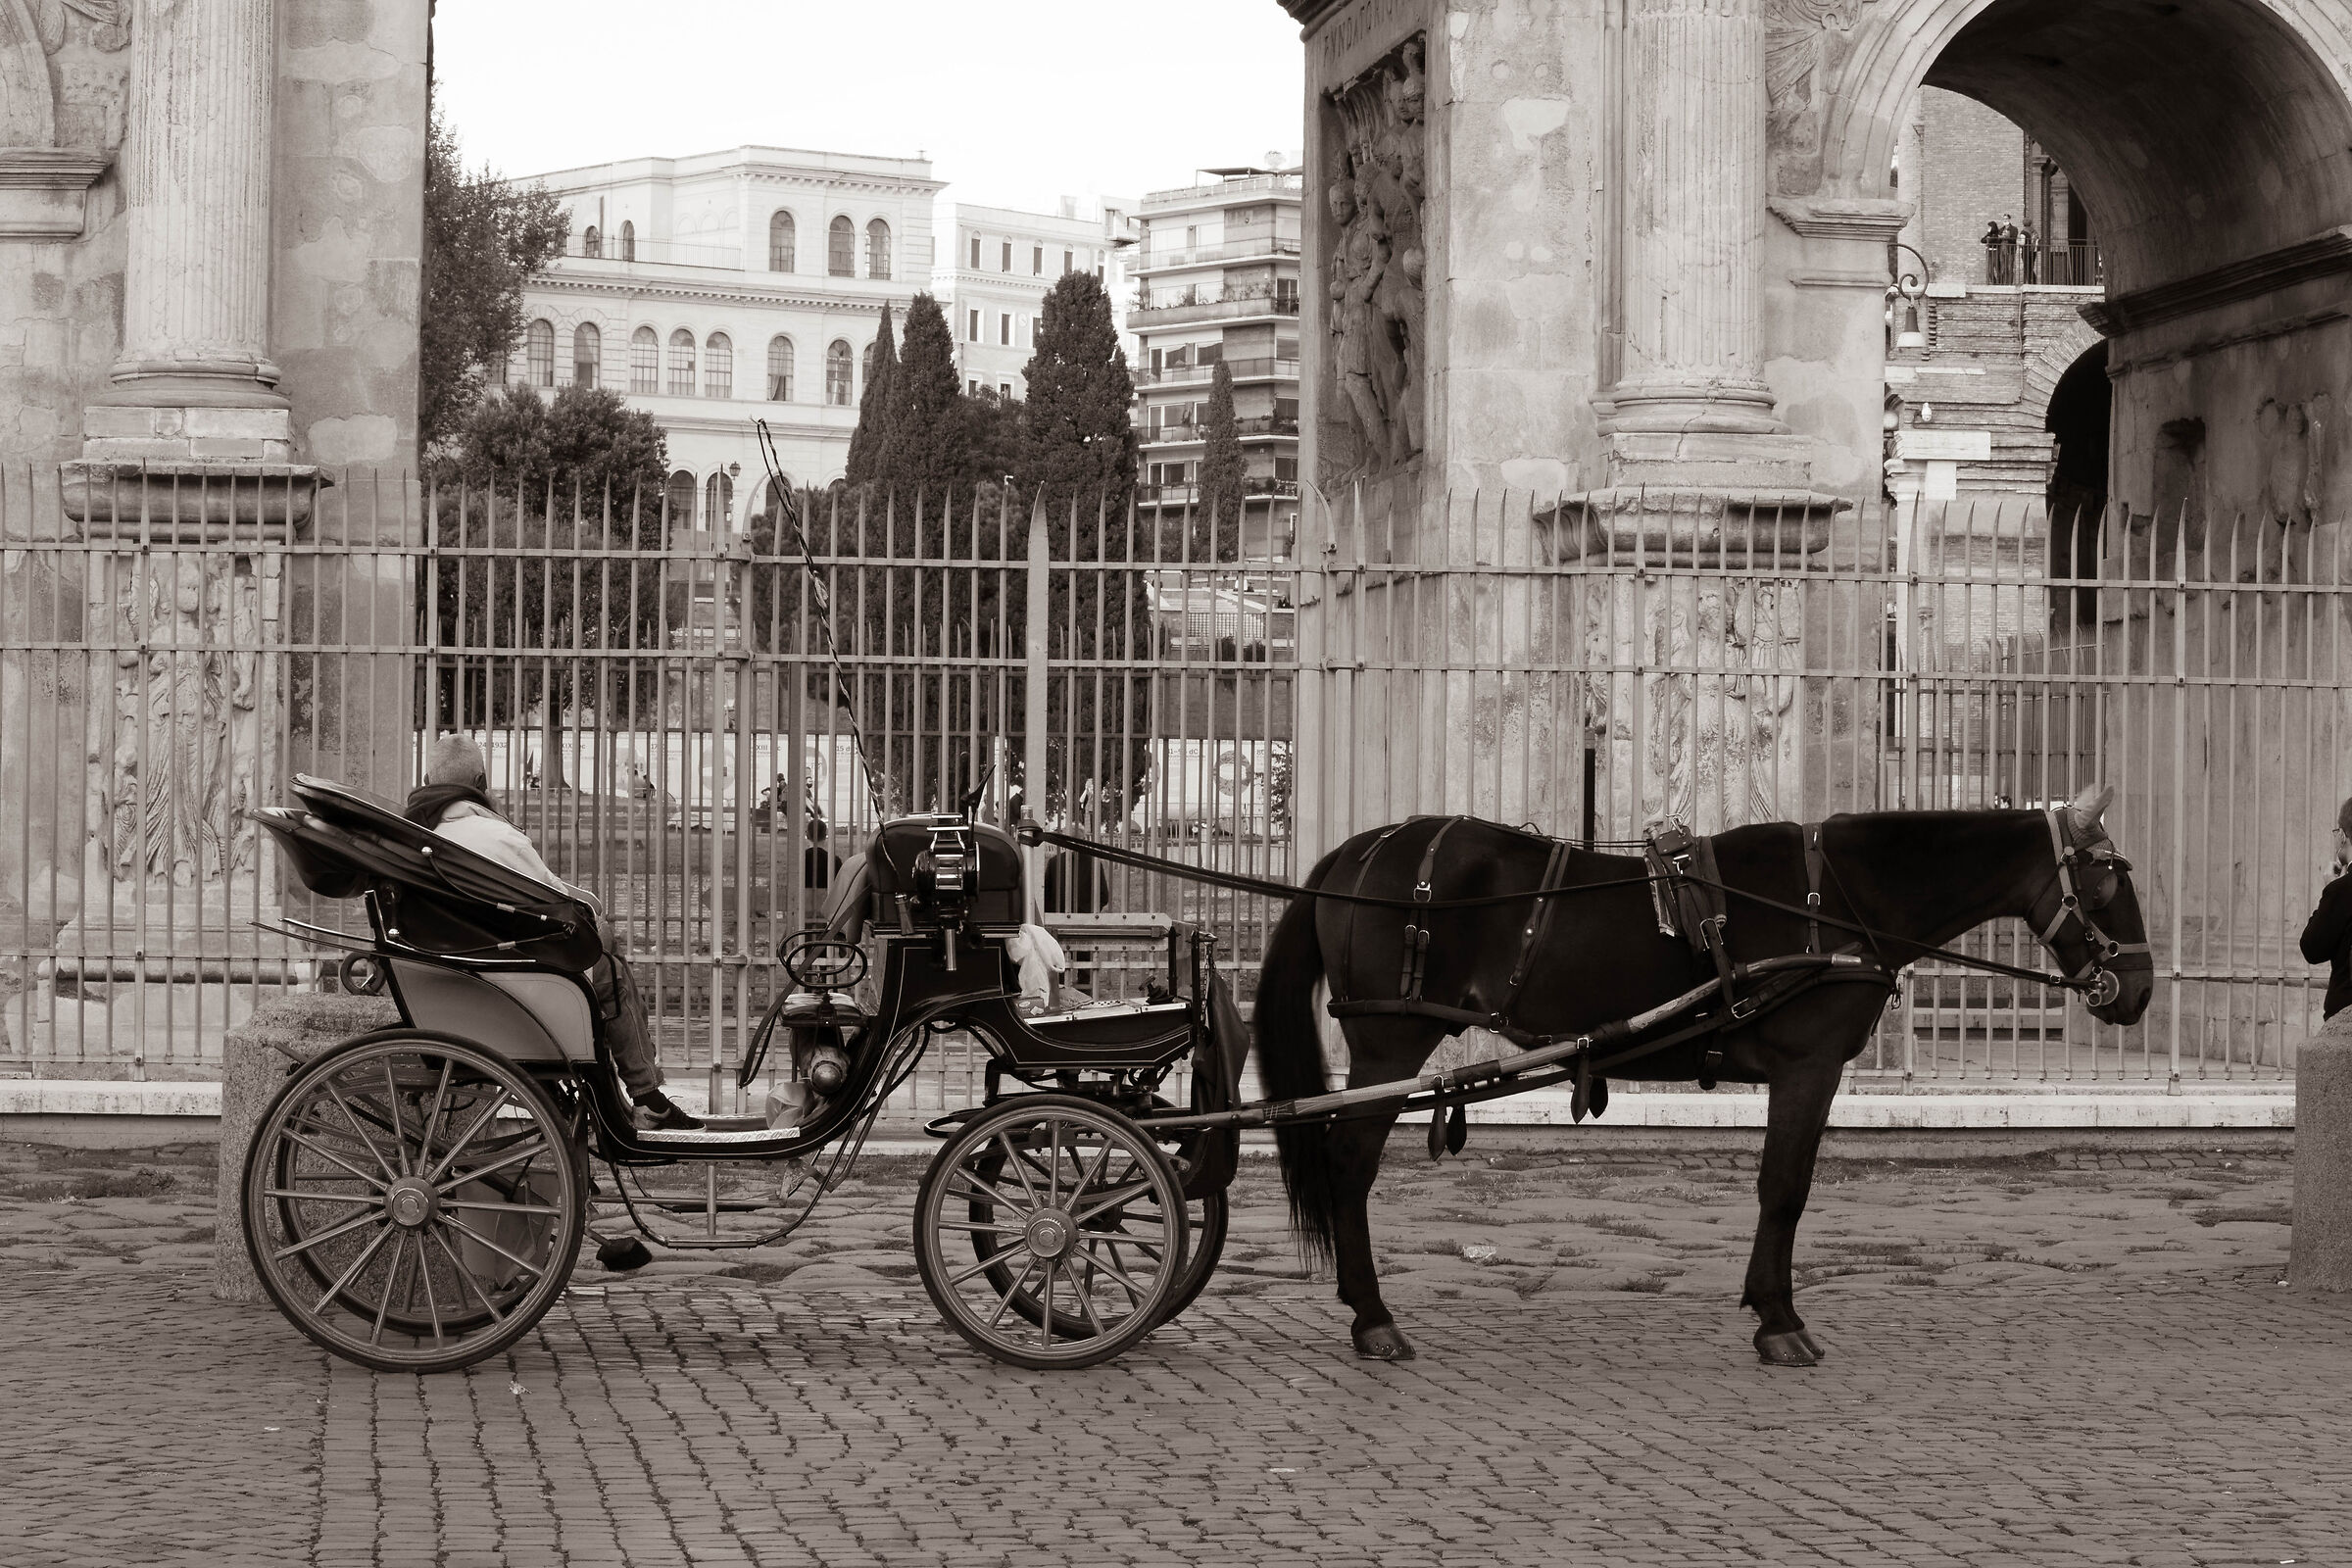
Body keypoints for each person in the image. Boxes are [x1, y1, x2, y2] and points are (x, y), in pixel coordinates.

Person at [404, 735, 702, 1129]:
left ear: (427, 779)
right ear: (481, 782)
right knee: (610, 970)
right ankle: (647, 1094)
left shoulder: (415, 839)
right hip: (510, 977)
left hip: (447, 970)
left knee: (605, 960)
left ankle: (639, 1095)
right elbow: (562, 906)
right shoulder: (498, 839)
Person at [2302, 798, 2352, 1020]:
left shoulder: (2341, 890)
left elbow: (2312, 948)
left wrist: (2330, 889)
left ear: (2342, 835)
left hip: (2345, 1016)